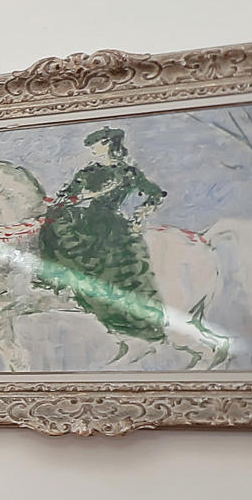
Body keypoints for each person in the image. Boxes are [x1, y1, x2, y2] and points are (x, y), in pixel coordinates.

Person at [36, 126, 169, 340]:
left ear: (107, 143)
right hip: (84, 217)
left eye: (95, 144)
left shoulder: (128, 172)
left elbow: (156, 193)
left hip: (109, 223)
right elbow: (68, 195)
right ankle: (54, 279)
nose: (91, 148)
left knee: (116, 262)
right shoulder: (88, 172)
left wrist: (139, 217)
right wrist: (64, 202)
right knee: (53, 225)